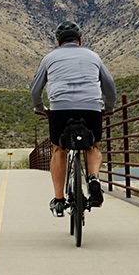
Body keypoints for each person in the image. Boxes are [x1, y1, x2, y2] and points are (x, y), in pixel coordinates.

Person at [30, 21, 117, 217]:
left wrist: (40, 108)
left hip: (60, 109)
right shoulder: (93, 56)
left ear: (58, 42)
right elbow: (110, 87)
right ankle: (93, 178)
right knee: (92, 146)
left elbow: (35, 90)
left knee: (59, 148)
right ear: (80, 40)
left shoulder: (49, 57)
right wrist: (108, 108)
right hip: (91, 108)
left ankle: (59, 200)